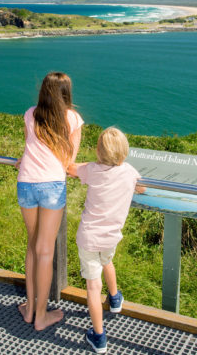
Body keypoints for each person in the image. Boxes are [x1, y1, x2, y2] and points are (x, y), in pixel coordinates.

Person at [67, 127, 146, 354]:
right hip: (111, 237)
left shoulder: (92, 170)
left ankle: (99, 337)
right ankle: (114, 299)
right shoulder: (129, 172)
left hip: (89, 237)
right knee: (107, 262)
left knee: (93, 286)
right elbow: (142, 187)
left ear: (98, 151)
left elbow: (70, 168)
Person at [15, 72, 84, 331]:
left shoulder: (30, 113)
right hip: (52, 185)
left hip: (26, 182)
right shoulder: (73, 118)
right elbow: (69, 160)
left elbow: (28, 145)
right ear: (67, 92)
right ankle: (42, 316)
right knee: (45, 250)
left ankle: (30, 309)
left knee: (32, 246)